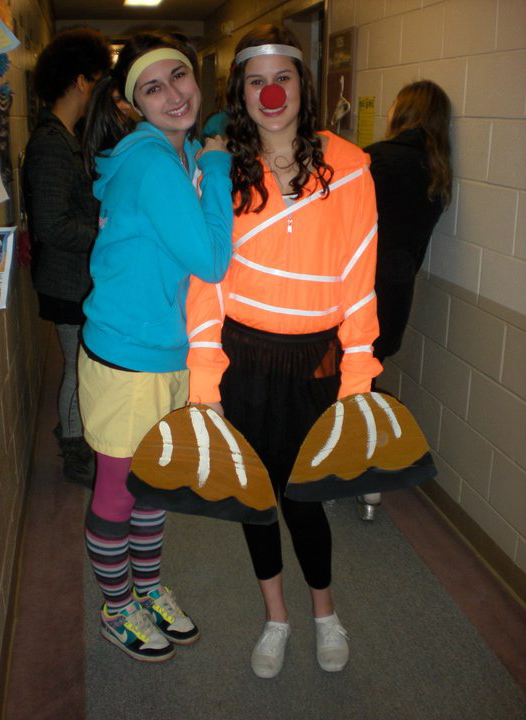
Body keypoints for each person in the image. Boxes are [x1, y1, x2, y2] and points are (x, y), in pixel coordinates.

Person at [186, 25, 381, 678]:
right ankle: (277, 617)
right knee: (255, 496)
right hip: (242, 360)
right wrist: (205, 382)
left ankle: (325, 613)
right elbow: (206, 284)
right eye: (256, 81)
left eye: (283, 78)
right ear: (241, 93)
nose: (271, 93)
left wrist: (358, 379)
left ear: (303, 84)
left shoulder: (350, 168)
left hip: (314, 363)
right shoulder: (220, 171)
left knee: (304, 496)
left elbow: (359, 282)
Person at [78, 32, 233, 663]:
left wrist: (209, 148)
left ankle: (146, 590)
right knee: (119, 492)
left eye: (179, 76)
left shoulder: (177, 152)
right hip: (127, 356)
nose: (173, 94)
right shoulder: (150, 161)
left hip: (163, 350)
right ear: (130, 102)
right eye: (153, 87)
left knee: (152, 486)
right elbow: (211, 260)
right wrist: (218, 167)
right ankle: (117, 609)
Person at [358, 80, 452, 521]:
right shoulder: (438, 173)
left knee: (343, 380)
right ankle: (368, 476)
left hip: (356, 293)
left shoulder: (375, 159)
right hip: (396, 296)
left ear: (403, 111)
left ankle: (352, 466)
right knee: (367, 374)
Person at [23, 27, 112, 486]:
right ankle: (74, 449)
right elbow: (52, 224)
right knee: (78, 372)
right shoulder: (51, 144)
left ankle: (73, 432)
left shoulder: (66, 135)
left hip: (76, 279)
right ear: (80, 81)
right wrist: (106, 236)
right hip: (65, 283)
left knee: (81, 370)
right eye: (97, 80)